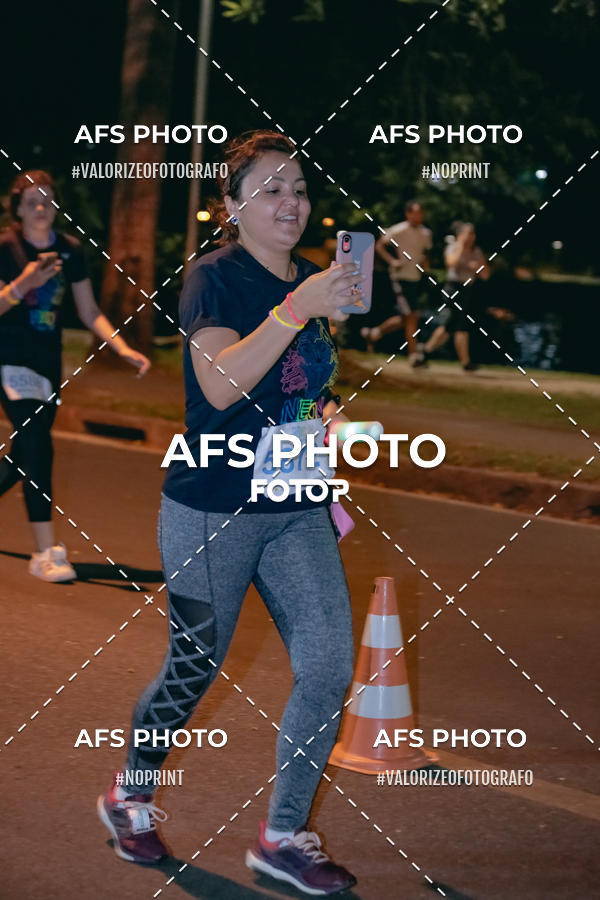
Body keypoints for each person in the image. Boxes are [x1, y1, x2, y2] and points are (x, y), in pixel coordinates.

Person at [98, 131, 360, 896]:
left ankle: (282, 837)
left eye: (299, 188)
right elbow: (219, 385)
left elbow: (300, 383)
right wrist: (296, 309)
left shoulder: (310, 278)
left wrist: (327, 416)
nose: (291, 202)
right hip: (213, 506)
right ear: (232, 205)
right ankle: (130, 795)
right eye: (271, 189)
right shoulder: (213, 277)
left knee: (328, 668)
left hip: (296, 505)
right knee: (193, 667)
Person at [0, 171, 150, 581]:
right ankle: (44, 553)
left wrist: (121, 348)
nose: (40, 207)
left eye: (47, 199)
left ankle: (44, 548)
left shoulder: (70, 249)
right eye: (31, 200)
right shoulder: (6, 247)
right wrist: (24, 284)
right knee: (37, 444)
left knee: (24, 454)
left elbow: (89, 310)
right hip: (8, 360)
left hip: (47, 364)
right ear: (17, 208)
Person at [361, 201, 432, 365]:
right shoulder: (398, 230)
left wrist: (424, 264)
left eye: (421, 213)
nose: (419, 216)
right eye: (416, 213)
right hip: (400, 277)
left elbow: (425, 253)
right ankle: (414, 356)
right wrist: (392, 261)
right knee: (411, 316)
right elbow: (379, 246)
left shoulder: (426, 233)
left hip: (416, 278)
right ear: (408, 214)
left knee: (408, 317)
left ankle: (373, 333)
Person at [420, 221, 490, 371]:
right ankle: (465, 362)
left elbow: (485, 275)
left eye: (472, 234)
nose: (471, 237)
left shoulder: (476, 251)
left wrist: (477, 267)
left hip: (467, 290)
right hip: (453, 289)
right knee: (460, 324)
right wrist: (461, 247)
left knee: (451, 326)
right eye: (468, 234)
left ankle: (425, 351)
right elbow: (451, 263)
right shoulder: (453, 247)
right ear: (460, 235)